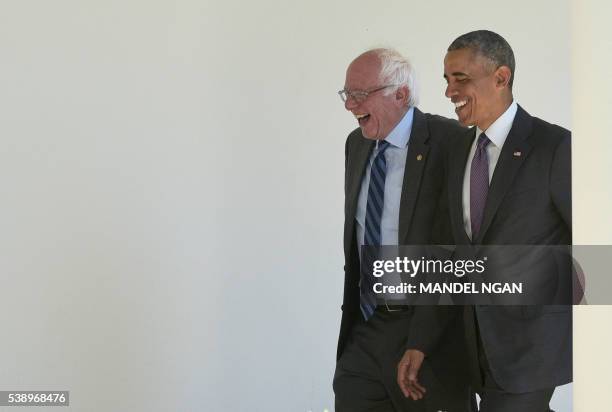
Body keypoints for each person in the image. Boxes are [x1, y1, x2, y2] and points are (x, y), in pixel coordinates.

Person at [397, 30, 572, 412]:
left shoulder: (555, 147)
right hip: (471, 345)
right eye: (446, 79)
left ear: (501, 77)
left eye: (461, 78)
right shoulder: (457, 149)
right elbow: (445, 253)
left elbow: (593, 250)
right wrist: (420, 340)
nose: (449, 91)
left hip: (531, 349)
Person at [334, 48, 470, 412]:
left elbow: (457, 251)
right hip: (365, 328)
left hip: (427, 332)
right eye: (347, 94)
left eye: (361, 94)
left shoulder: (452, 142)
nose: (350, 105)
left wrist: (423, 339)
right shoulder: (356, 144)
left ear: (401, 94)